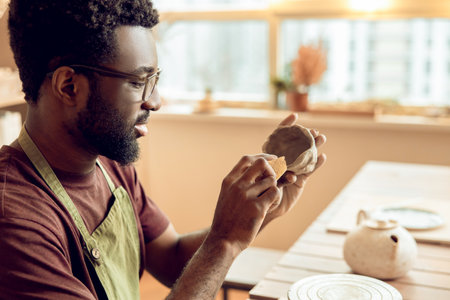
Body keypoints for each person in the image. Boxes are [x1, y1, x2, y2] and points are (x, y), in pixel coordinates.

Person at [0, 0, 326, 299]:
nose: (155, 102)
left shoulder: (109, 164)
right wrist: (223, 243)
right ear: (68, 86)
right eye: (138, 82)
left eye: (154, 79)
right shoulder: (15, 220)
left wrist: (257, 212)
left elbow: (173, 261)